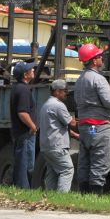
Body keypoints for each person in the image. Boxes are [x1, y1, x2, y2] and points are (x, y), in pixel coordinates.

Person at [72, 43, 110, 194]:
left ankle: (84, 193)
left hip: (87, 128)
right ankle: (95, 194)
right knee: (100, 160)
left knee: (85, 160)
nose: (102, 58)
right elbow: (109, 101)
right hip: (99, 127)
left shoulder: (80, 80)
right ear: (93, 61)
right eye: (99, 56)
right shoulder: (98, 79)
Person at [39, 79, 78, 192]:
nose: (66, 93)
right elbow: (72, 124)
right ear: (56, 92)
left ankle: (50, 197)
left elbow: (57, 128)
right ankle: (61, 198)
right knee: (67, 169)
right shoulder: (58, 106)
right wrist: (88, 124)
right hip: (57, 146)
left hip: (47, 146)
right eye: (64, 91)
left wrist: (76, 136)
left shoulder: (46, 105)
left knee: (52, 172)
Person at [9, 60, 37, 189]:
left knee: (22, 163)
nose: (33, 70)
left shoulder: (16, 88)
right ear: (25, 75)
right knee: (25, 165)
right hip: (25, 134)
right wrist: (32, 126)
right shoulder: (23, 90)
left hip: (20, 133)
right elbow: (22, 113)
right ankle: (23, 190)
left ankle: (21, 188)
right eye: (31, 69)